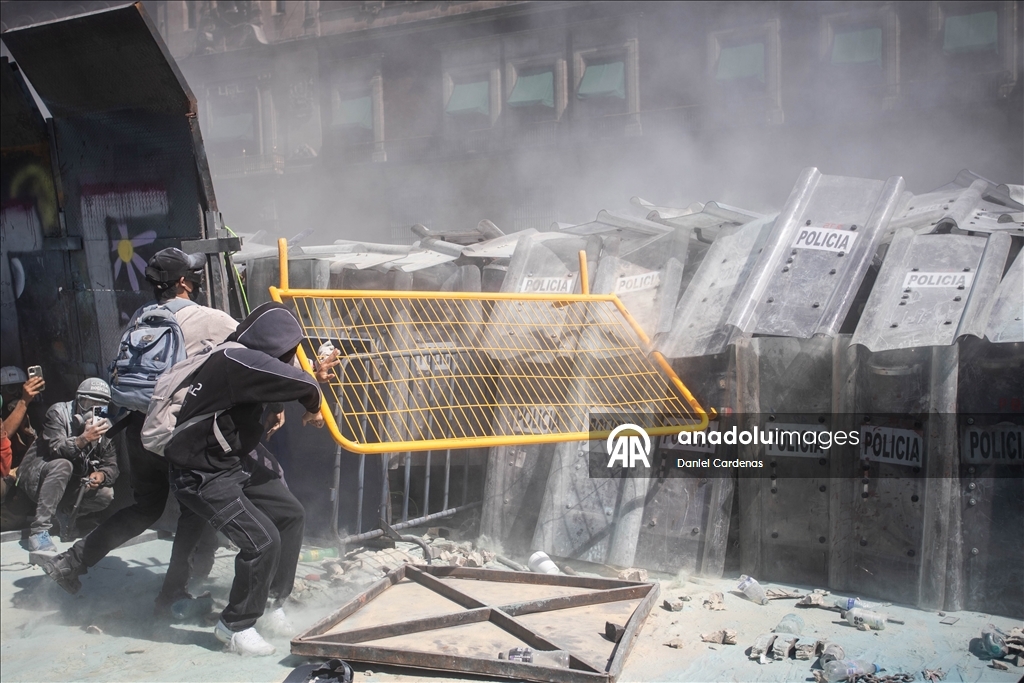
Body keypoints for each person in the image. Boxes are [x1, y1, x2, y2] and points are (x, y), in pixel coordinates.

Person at [42, 248, 241, 616]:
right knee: (194, 509)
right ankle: (173, 592)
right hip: (176, 430)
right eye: (193, 275)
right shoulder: (209, 318)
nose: (196, 280)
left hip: (136, 424)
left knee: (145, 507)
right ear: (183, 282)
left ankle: (71, 562)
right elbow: (256, 348)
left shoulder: (141, 315)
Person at [166, 302, 334, 656]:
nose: (291, 358)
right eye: (289, 351)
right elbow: (295, 381)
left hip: (232, 460)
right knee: (261, 540)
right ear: (273, 345)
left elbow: (283, 382)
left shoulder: (245, 360)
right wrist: (313, 402)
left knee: (290, 514)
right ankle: (234, 626)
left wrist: (312, 383)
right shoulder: (235, 359)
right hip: (201, 471)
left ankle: (271, 603)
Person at [16, 378, 118, 552]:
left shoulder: (104, 427)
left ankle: (65, 514)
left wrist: (102, 475)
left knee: (106, 494)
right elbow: (56, 449)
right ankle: (39, 531)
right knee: (63, 465)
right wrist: (84, 438)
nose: (93, 412)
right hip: (37, 479)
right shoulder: (58, 413)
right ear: (78, 401)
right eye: (88, 404)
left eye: (99, 406)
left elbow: (112, 465)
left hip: (70, 485)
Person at [1, 365, 45, 470]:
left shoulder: (31, 412)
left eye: (21, 389)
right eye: (11, 389)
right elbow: (4, 436)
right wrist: (24, 400)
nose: (17, 393)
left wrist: (29, 434)